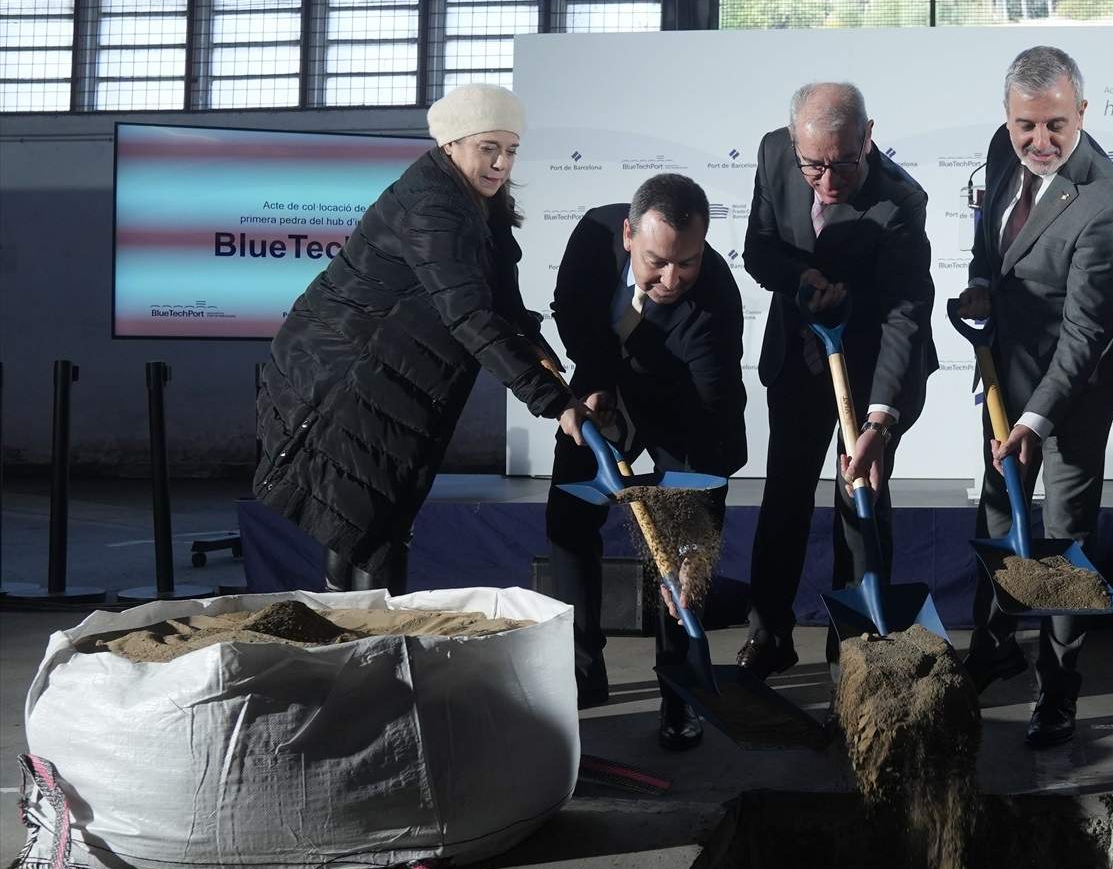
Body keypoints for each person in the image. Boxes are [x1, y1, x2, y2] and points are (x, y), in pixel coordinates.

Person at [255, 83, 588, 593]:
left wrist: (526, 336)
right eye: (489, 148)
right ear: (451, 144)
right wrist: (553, 402)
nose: (501, 163)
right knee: (372, 523)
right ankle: (374, 651)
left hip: (392, 374)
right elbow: (467, 314)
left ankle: (360, 639)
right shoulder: (434, 205)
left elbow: (496, 290)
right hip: (349, 377)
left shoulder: (475, 198)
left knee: (372, 521)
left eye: (510, 150)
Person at [955, 46, 1113, 748]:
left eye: (1056, 125)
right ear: (1007, 118)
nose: (1040, 142)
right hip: (1007, 376)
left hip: (1073, 397)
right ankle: (990, 650)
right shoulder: (1005, 153)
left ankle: (1058, 692)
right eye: (1026, 126)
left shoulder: (1105, 204)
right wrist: (979, 284)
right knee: (997, 515)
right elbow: (991, 244)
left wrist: (1034, 420)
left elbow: (1086, 334)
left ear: (1082, 113)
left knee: (1062, 543)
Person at [738, 82, 937, 678]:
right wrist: (804, 278)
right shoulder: (775, 153)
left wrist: (879, 418)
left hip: (876, 362)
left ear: (868, 138)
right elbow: (758, 250)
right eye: (813, 165)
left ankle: (854, 649)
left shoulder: (903, 200)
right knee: (784, 498)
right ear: (794, 143)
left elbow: (906, 311)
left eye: (843, 163)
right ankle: (768, 633)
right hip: (801, 353)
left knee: (861, 498)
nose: (827, 180)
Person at [544, 174, 748, 750]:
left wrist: (693, 544)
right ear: (629, 234)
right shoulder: (591, 236)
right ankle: (581, 670)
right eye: (658, 261)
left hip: (684, 411)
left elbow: (707, 431)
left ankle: (678, 695)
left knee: (679, 547)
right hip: (603, 389)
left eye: (687, 263)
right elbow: (571, 311)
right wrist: (598, 381)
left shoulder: (713, 306)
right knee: (568, 520)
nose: (671, 279)